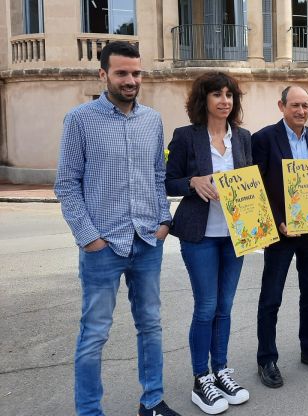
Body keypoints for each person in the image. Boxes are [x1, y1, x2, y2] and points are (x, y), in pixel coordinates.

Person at [54, 41, 180, 416]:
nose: (130, 80)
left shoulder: (152, 120)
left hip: (146, 241)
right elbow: (66, 183)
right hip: (103, 245)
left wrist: (163, 221)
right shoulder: (80, 119)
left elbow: (158, 175)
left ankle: (152, 402)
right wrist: (89, 237)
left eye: (136, 73)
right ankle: (89, 411)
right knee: (94, 335)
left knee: (151, 326)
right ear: (103, 75)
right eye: (122, 73)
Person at [165, 72, 252, 414]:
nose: (224, 100)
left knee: (225, 308)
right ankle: (201, 379)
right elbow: (168, 181)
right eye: (217, 94)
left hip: (236, 235)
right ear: (204, 100)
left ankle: (221, 371)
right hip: (199, 235)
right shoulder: (186, 137)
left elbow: (251, 183)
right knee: (206, 307)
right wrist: (192, 181)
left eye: (229, 95)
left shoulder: (243, 138)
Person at [251, 86, 308, 388]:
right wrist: (278, 222)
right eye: (295, 105)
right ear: (281, 106)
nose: (301, 111)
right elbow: (258, 186)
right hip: (281, 233)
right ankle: (266, 359)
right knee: (271, 298)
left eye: (305, 106)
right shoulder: (263, 138)